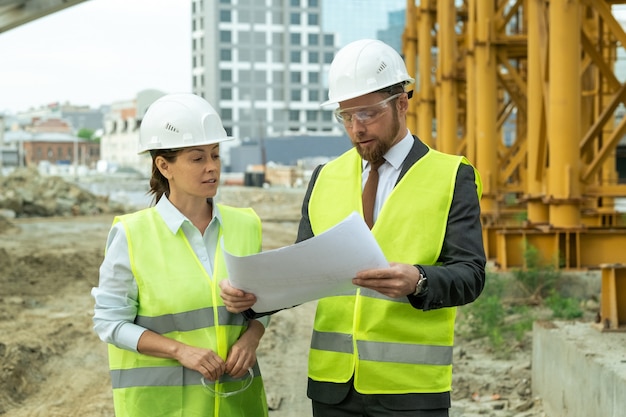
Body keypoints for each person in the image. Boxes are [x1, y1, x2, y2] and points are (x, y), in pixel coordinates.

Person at [220, 39, 486, 417]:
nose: (356, 128)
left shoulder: (452, 175)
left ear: (402, 103)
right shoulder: (324, 177)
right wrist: (254, 296)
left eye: (367, 114)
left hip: (410, 390)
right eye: (346, 116)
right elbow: (301, 272)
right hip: (333, 389)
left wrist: (420, 281)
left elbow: (471, 275)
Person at [91, 93, 269, 417]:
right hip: (163, 409)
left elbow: (264, 303)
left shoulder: (246, 225)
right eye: (197, 158)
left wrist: (252, 338)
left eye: (215, 155)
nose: (212, 167)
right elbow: (109, 322)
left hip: (237, 405)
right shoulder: (132, 235)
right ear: (163, 165)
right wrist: (179, 351)